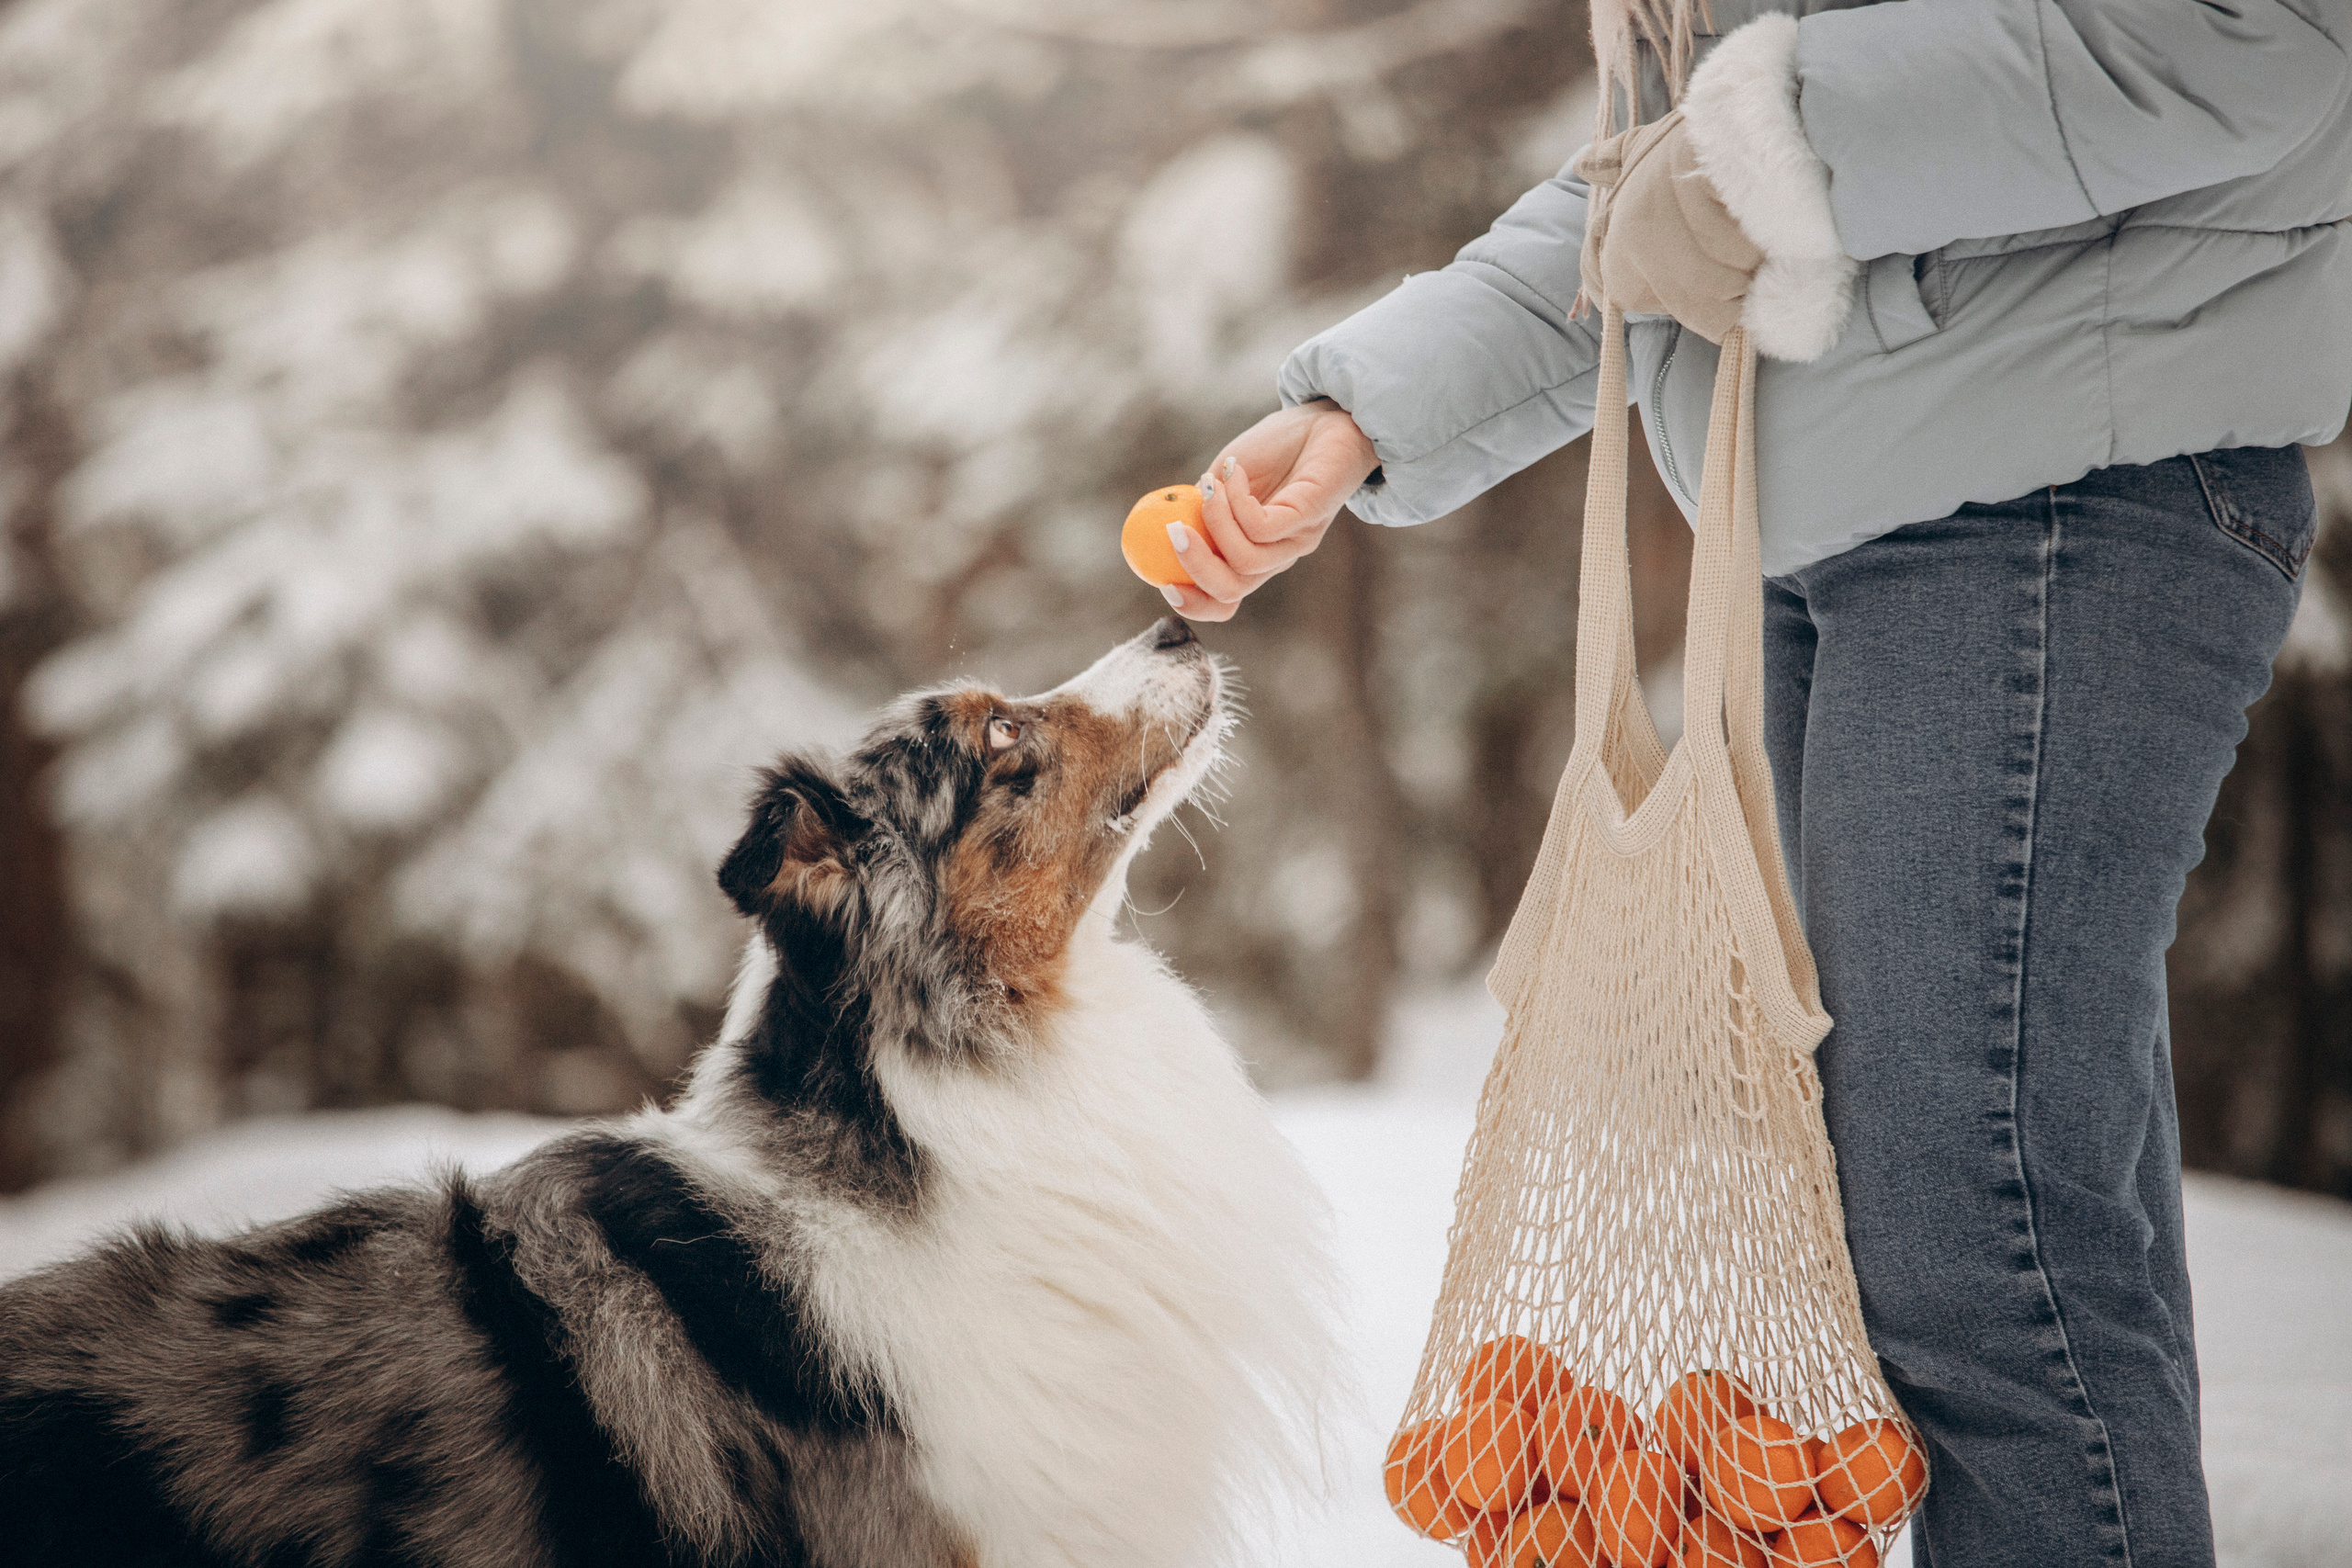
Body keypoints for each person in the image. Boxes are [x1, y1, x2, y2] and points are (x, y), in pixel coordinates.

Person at [1155, 4, 2352, 1565]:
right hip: (1866, 524)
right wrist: (1363, 408)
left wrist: (1765, 153)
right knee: (1990, 1221)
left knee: (1974, 1233)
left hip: (2051, 493)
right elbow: (1653, 193)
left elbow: (2249, 39)